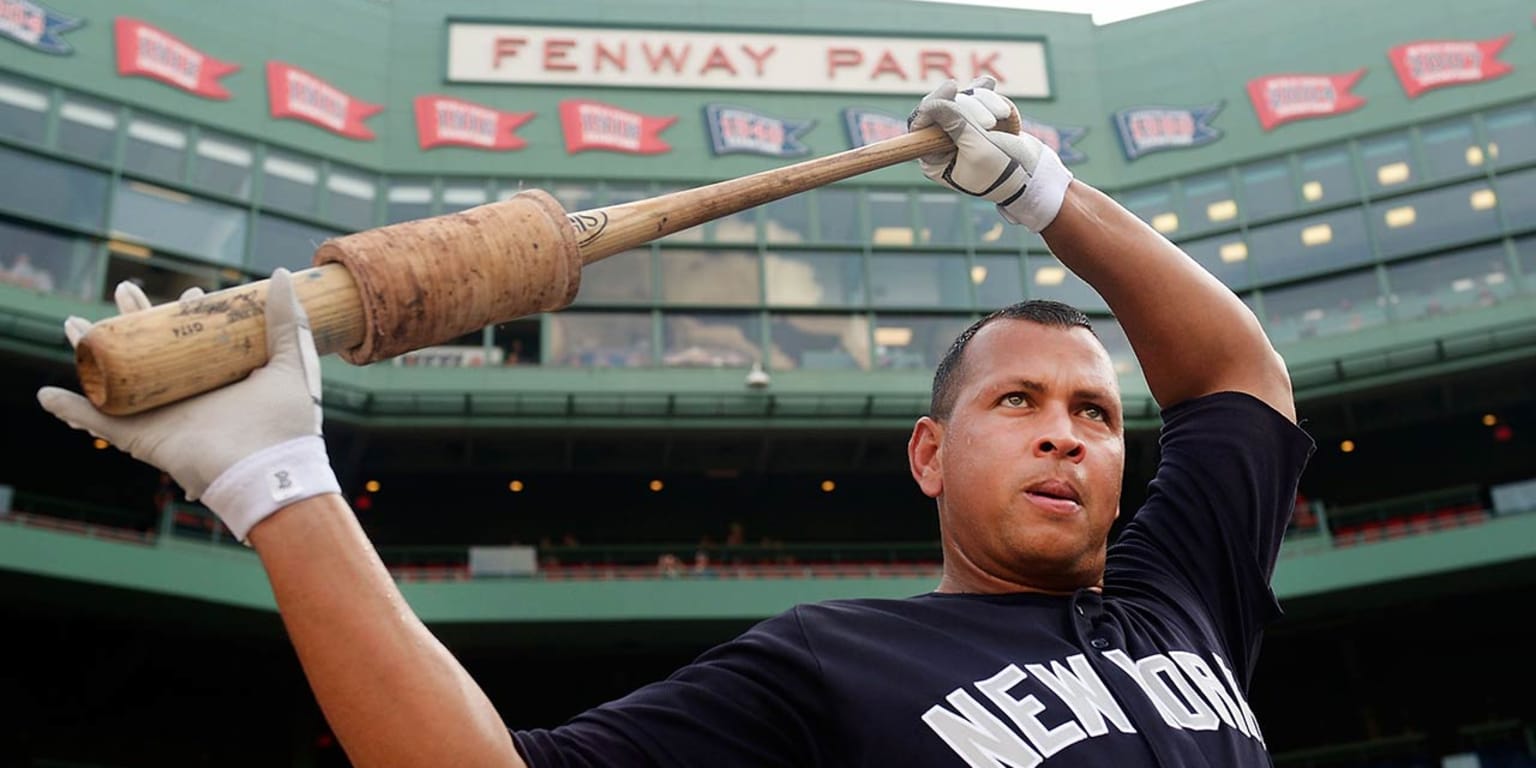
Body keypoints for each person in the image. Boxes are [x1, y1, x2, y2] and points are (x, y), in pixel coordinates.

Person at [36, 77, 1314, 767]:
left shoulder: (1179, 598)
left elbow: (1236, 378)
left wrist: (1040, 188)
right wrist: (276, 481)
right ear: (929, 453)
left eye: (1095, 411)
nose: (1067, 433)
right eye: (1018, 400)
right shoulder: (831, 666)